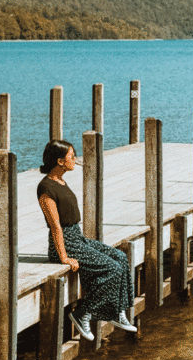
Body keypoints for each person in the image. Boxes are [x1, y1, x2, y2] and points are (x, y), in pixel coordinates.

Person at [37, 139, 137, 340]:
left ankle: (117, 311)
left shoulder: (61, 182)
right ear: (60, 161)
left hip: (77, 237)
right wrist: (63, 257)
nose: (75, 159)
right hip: (66, 243)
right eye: (71, 156)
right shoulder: (46, 188)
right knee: (112, 269)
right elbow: (56, 226)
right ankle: (83, 312)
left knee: (120, 258)